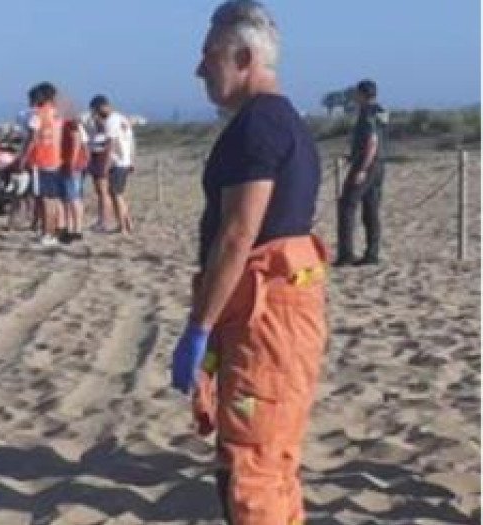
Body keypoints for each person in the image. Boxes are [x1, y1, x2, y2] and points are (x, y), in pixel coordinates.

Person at [170, 3, 329, 524]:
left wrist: (199, 327)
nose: (198, 70)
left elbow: (239, 234)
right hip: (273, 312)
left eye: (208, 56)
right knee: (271, 460)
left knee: (252, 468)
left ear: (243, 57)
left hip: (267, 319)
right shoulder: (280, 121)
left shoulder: (259, 126)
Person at [335, 79, 388, 266]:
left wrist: (362, 169)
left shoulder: (367, 113)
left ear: (361, 94)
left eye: (356, 94)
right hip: (380, 164)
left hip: (367, 165)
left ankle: (346, 254)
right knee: (371, 208)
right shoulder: (381, 111)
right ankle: (372, 253)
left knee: (347, 205)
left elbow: (372, 142)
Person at [21, 82, 67, 246]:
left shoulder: (38, 115)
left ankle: (48, 234)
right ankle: (52, 232)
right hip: (55, 159)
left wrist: (22, 158)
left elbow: (31, 139)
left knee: (45, 199)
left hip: (41, 159)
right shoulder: (56, 114)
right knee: (53, 199)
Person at [90, 95, 137, 234]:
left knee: (116, 195)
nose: (96, 114)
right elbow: (130, 141)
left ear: (101, 107)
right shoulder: (122, 118)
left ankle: (122, 226)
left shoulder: (111, 121)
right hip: (124, 160)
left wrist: (105, 165)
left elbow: (110, 144)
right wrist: (132, 159)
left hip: (117, 162)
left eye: (96, 111)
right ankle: (127, 223)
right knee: (118, 194)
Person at [61, 114, 90, 241]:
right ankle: (71, 227)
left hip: (72, 165)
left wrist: (72, 164)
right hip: (72, 164)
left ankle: (76, 229)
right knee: (70, 198)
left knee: (73, 198)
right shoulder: (67, 124)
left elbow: (77, 143)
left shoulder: (70, 126)